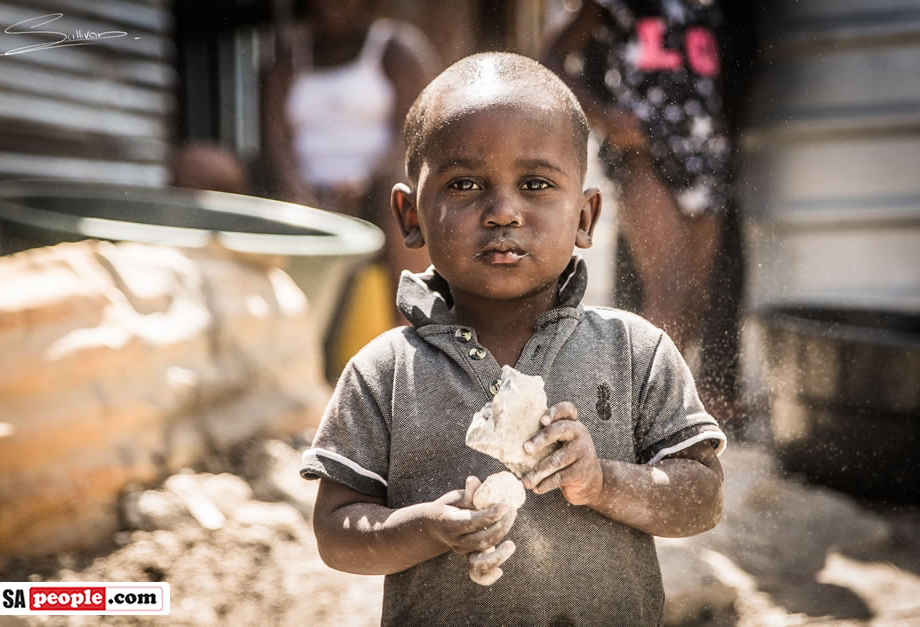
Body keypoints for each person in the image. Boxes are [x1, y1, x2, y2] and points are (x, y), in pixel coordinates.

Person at [300, 52, 726, 625]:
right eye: (465, 184)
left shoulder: (635, 352)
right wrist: (423, 528)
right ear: (410, 215)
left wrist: (603, 482)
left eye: (535, 184)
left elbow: (702, 498)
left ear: (585, 216)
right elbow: (336, 531)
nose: (502, 212)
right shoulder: (385, 372)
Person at [543, 0, 744, 424]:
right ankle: (628, 425)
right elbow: (551, 58)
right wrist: (607, 119)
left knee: (691, 297)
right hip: (644, 149)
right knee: (667, 291)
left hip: (703, 146)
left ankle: (667, 420)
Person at [260, 0, 439, 289]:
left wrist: (364, 181)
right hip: (306, 192)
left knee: (401, 200)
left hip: (375, 189)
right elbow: (275, 141)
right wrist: (297, 190)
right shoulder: (287, 59)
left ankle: (414, 318)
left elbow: (416, 136)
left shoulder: (396, 51)